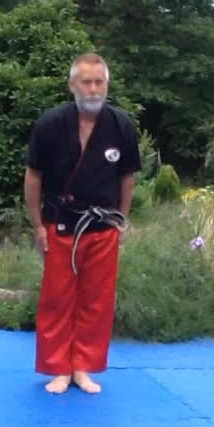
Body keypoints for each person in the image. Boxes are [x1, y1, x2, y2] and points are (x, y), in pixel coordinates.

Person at [23, 53, 141, 394]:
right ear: (72, 85)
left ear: (106, 85)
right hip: (61, 223)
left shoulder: (120, 125)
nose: (93, 89)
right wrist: (37, 226)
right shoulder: (51, 124)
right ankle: (58, 368)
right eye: (86, 82)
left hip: (103, 227)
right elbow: (33, 177)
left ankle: (81, 367)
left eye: (99, 82)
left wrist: (121, 221)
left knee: (96, 301)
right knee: (57, 299)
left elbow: (127, 178)